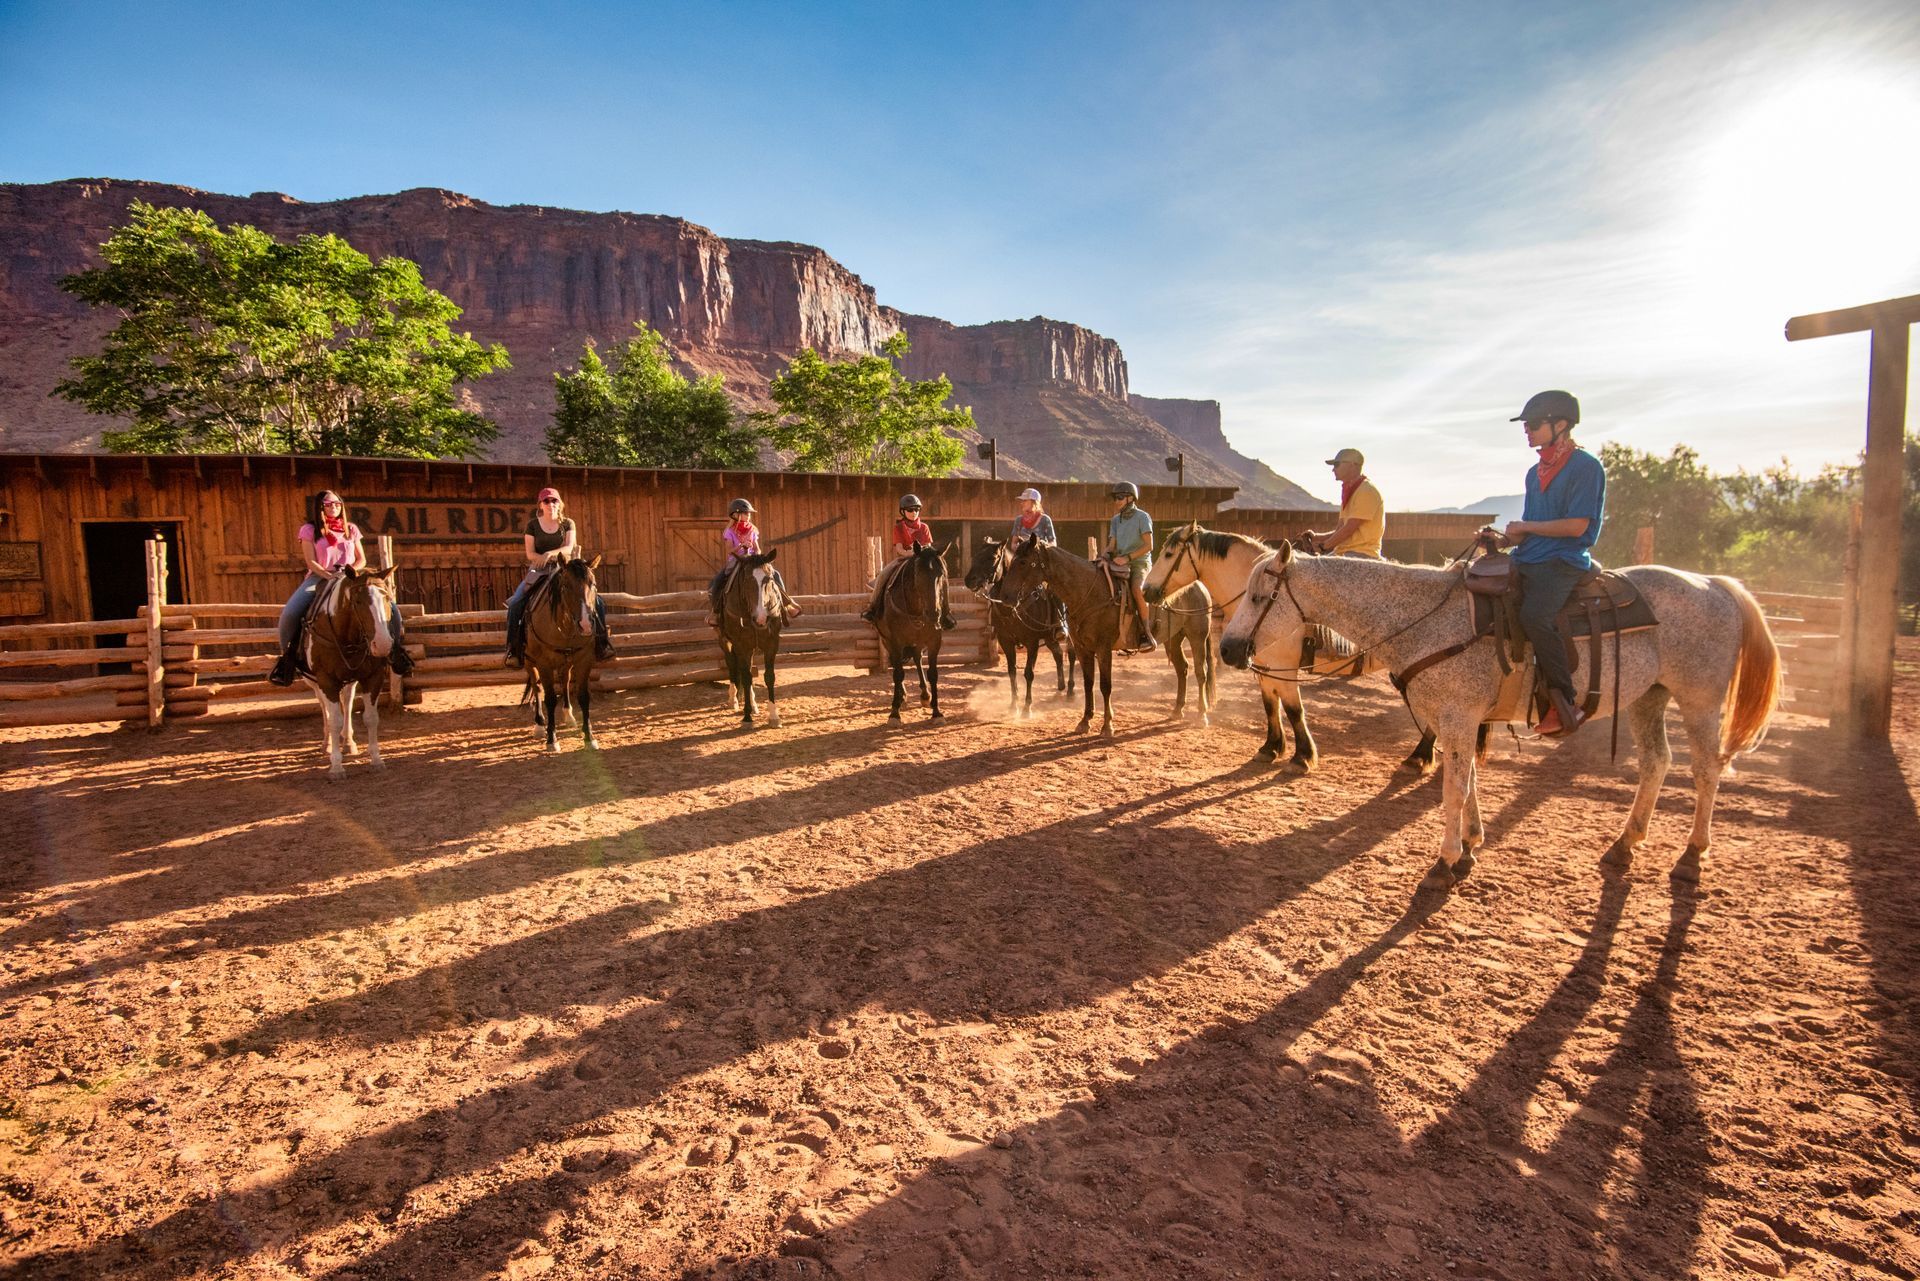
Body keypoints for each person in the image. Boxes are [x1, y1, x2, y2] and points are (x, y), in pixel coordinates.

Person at [1489, 390, 1608, 737]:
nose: (1527, 430)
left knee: (1535, 617)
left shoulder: (1586, 467)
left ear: (1561, 424)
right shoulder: (1534, 472)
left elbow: (1578, 526)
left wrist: (1525, 528)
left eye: (1534, 424)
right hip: (1529, 556)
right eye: (1526, 425)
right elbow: (1531, 524)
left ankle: (1565, 701)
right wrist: (1502, 539)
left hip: (1563, 560)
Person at [268, 490, 414, 685]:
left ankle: (396, 651)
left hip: (351, 577)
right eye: (328, 504)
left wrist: (349, 572)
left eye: (337, 503)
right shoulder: (309, 530)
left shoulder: (351, 529)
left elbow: (361, 558)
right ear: (320, 507)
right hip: (319, 578)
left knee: (390, 608)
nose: (334, 507)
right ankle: (287, 660)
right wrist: (329, 576)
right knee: (290, 612)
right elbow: (311, 562)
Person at [502, 487, 614, 665]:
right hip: (539, 570)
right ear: (540, 505)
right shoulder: (532, 525)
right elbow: (530, 553)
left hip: (565, 570)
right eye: (546, 501)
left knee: (598, 601)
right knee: (516, 602)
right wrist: (542, 558)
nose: (550, 504)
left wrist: (550, 554)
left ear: (560, 504)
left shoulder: (568, 523)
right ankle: (514, 650)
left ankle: (602, 644)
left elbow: (569, 547)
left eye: (554, 501)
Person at [860, 493, 954, 628]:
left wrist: (923, 552)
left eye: (916, 509)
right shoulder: (898, 528)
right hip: (904, 558)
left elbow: (928, 546)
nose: (914, 512)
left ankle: (945, 613)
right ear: (903, 511)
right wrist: (909, 553)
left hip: (922, 559)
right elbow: (898, 548)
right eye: (910, 510)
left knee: (941, 578)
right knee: (884, 574)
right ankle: (872, 609)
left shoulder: (924, 527)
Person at [707, 499, 800, 626]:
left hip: (752, 559)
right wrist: (740, 546)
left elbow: (757, 548)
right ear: (736, 514)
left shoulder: (752, 529)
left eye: (749, 513)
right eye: (746, 512)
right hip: (736, 559)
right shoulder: (729, 532)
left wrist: (756, 551)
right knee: (718, 579)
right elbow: (729, 551)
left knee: (774, 573)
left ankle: (787, 604)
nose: (749, 515)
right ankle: (715, 612)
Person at [1105, 481, 1157, 652]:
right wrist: (1104, 555)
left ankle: (1145, 633)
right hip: (1119, 562)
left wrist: (1127, 557)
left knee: (1136, 589)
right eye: (1115, 498)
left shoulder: (1143, 517)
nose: (1116, 501)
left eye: (1119, 497)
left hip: (1139, 563)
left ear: (1130, 498)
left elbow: (1149, 545)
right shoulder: (1115, 520)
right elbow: (1112, 545)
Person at [1305, 448, 1385, 557]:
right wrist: (1317, 537)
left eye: (1336, 464)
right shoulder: (1350, 492)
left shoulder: (1366, 491)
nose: (1333, 469)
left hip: (1362, 554)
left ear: (1352, 465)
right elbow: (1340, 529)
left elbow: (1349, 529)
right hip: (1344, 553)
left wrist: (1324, 546)